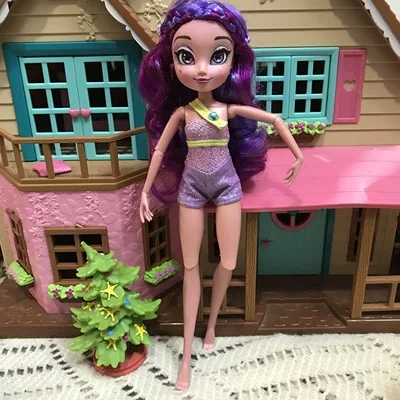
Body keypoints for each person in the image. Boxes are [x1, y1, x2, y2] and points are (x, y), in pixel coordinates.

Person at [138, 0, 304, 390]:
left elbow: (273, 119)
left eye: (217, 56)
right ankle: (186, 356)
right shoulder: (182, 113)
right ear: (171, 63)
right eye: (186, 56)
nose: (201, 69)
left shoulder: (229, 110)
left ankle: (211, 325)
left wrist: (297, 153)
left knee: (228, 261)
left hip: (227, 185)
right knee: (190, 267)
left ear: (233, 61)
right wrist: (145, 190)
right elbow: (159, 151)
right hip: (191, 188)